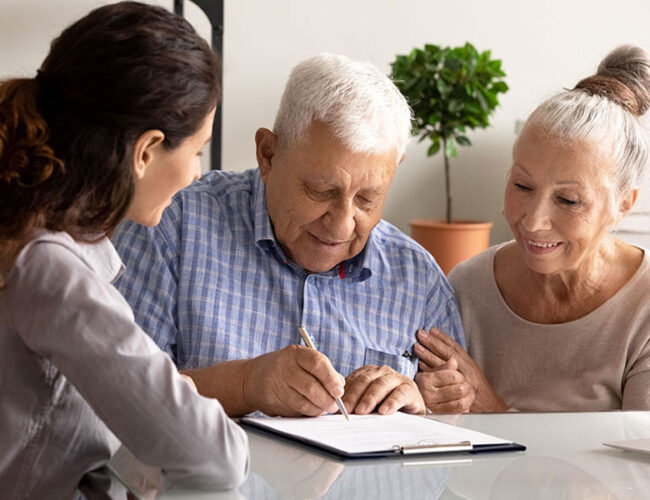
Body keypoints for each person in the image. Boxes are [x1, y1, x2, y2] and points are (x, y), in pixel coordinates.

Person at [113, 53, 467, 418]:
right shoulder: (171, 226)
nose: (342, 224)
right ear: (268, 154)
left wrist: (423, 408)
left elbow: (460, 446)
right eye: (321, 191)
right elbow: (111, 396)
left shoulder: (419, 281)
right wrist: (245, 384)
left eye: (366, 199)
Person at [0, 2, 249, 498]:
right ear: (145, 151)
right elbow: (215, 456)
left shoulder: (33, 236)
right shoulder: (51, 268)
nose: (197, 172)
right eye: (195, 150)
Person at [415, 45, 650, 412]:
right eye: (522, 187)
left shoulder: (643, 308)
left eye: (569, 200)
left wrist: (496, 412)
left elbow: (637, 466)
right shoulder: (467, 288)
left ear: (623, 205)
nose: (533, 221)